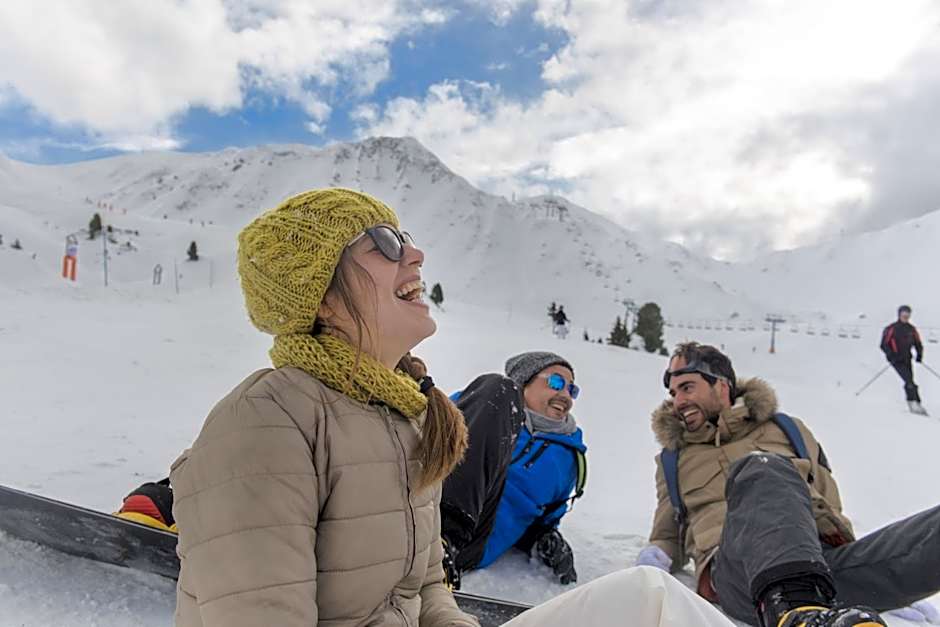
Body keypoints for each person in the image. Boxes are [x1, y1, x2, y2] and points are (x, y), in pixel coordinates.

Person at [166, 189, 478, 627]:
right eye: (385, 243)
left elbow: (425, 587)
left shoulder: (410, 415)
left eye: (405, 237)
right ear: (323, 299)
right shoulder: (270, 417)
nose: (417, 254)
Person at [636, 342, 940, 627]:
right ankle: (796, 610)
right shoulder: (674, 460)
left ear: (722, 385)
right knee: (761, 467)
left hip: (816, 559)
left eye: (687, 388)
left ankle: (809, 602)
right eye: (674, 392)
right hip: (738, 572)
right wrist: (653, 560)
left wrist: (878, 576)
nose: (678, 401)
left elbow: (828, 506)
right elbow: (666, 536)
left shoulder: (787, 430)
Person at [440, 351, 587, 589]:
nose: (565, 396)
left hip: (469, 544)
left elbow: (542, 518)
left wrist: (544, 539)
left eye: (572, 390)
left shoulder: (569, 457)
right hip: (421, 508)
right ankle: (440, 537)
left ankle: (444, 546)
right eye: (556, 383)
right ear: (523, 381)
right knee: (495, 387)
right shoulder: (479, 404)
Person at [880, 305, 926, 415]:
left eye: (907, 315)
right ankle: (915, 402)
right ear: (899, 315)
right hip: (896, 360)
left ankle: (913, 402)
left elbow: (918, 343)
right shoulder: (892, 328)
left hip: (907, 359)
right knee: (909, 380)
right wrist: (891, 356)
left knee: (909, 380)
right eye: (904, 315)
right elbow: (884, 344)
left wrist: (919, 355)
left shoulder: (911, 329)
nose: (905, 317)